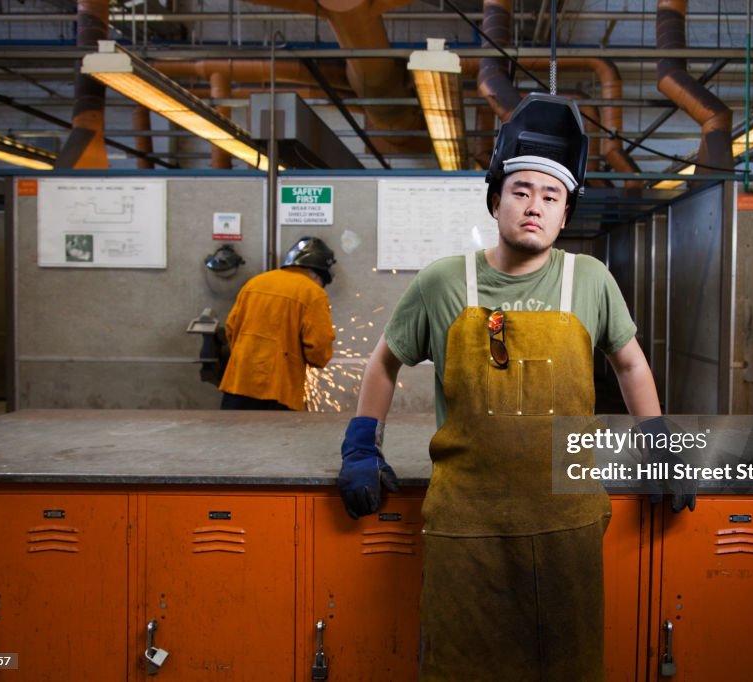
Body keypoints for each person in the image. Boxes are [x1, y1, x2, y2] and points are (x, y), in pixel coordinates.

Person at [338, 94, 694, 680]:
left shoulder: (591, 281)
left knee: (569, 667)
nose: (535, 206)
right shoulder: (444, 282)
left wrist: (657, 441)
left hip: (568, 526)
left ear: (564, 213)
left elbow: (630, 365)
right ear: (496, 201)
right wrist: (360, 443)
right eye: (522, 191)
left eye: (551, 196)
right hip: (465, 528)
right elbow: (384, 362)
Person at [218, 236, 336, 411]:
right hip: (278, 391)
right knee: (276, 438)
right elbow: (319, 347)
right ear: (320, 275)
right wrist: (316, 359)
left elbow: (231, 328)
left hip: (237, 384)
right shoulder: (313, 293)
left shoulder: (254, 283)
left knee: (233, 437)